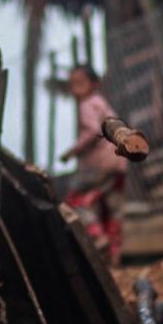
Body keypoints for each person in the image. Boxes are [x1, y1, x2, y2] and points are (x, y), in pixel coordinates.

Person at [59, 65, 126, 265]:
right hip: (119, 162)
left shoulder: (87, 104)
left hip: (100, 164)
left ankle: (97, 237)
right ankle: (114, 257)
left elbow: (91, 132)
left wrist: (72, 151)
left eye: (80, 83)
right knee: (112, 210)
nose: (75, 89)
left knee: (75, 201)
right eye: (72, 84)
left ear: (94, 84)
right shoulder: (102, 103)